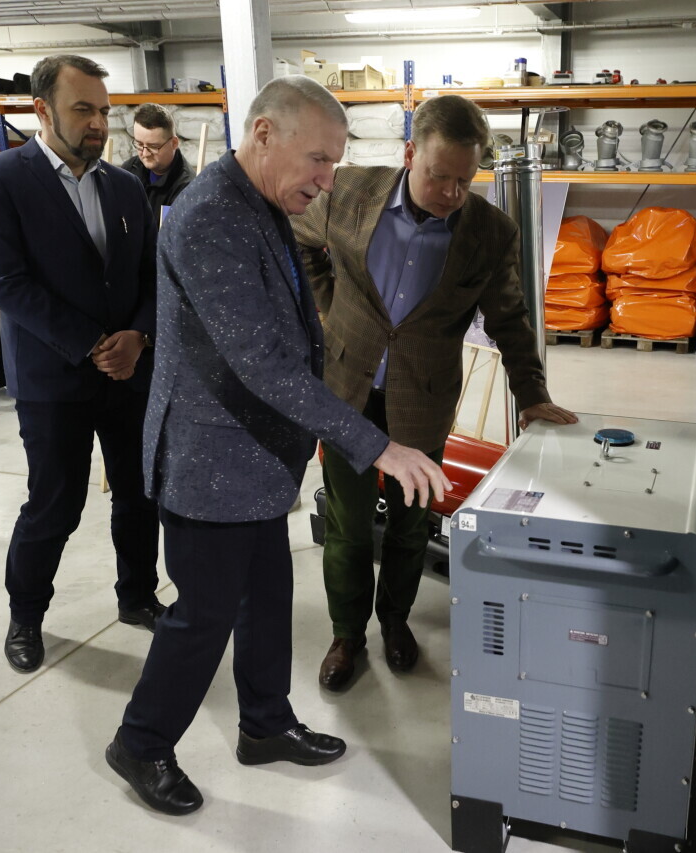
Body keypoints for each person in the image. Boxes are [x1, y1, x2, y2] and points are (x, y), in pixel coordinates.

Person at [105, 76, 451, 817]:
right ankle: (141, 741)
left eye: (335, 163)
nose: (327, 180)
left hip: (255, 459)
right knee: (204, 614)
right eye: (318, 159)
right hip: (208, 462)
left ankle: (264, 724)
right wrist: (377, 447)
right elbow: (260, 361)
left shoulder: (257, 201)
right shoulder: (208, 216)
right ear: (263, 133)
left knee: (266, 598)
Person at [292, 94, 578, 692]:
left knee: (410, 524)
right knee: (346, 525)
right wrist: (327, 305)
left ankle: (395, 621)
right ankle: (347, 635)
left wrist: (531, 392)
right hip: (346, 391)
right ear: (409, 154)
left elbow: (509, 318)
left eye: (464, 180)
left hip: (421, 400)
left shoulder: (489, 232)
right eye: (438, 176)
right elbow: (299, 239)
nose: (451, 193)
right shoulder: (349, 193)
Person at [0, 55, 163, 676]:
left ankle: (138, 596)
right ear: (42, 110)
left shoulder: (125, 186)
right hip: (54, 380)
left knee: (139, 495)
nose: (98, 122)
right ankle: (26, 617)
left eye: (104, 110)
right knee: (55, 504)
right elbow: (7, 283)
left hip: (129, 373)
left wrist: (138, 336)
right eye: (84, 109)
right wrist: (93, 344)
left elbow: (152, 274)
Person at [121, 102, 194, 224]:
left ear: (174, 143)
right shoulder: (129, 170)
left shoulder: (185, 187)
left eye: (153, 147)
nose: (145, 154)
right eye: (139, 144)